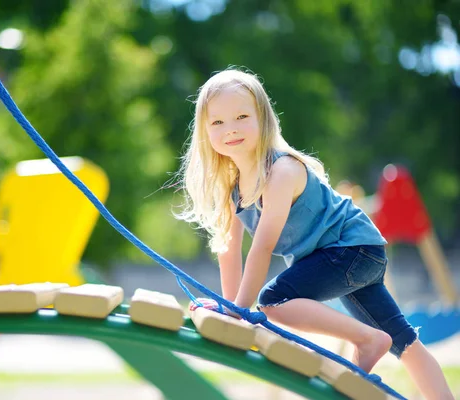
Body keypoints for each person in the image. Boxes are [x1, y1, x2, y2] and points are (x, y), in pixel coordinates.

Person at [175, 67, 453, 400]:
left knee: (274, 301)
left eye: (241, 116)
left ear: (262, 118)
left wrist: (241, 309)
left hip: (350, 251)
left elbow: (261, 247)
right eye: (217, 122)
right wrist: (229, 308)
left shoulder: (281, 171)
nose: (230, 129)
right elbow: (228, 249)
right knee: (404, 341)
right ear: (205, 132)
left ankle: (367, 340)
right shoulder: (232, 187)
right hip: (354, 253)